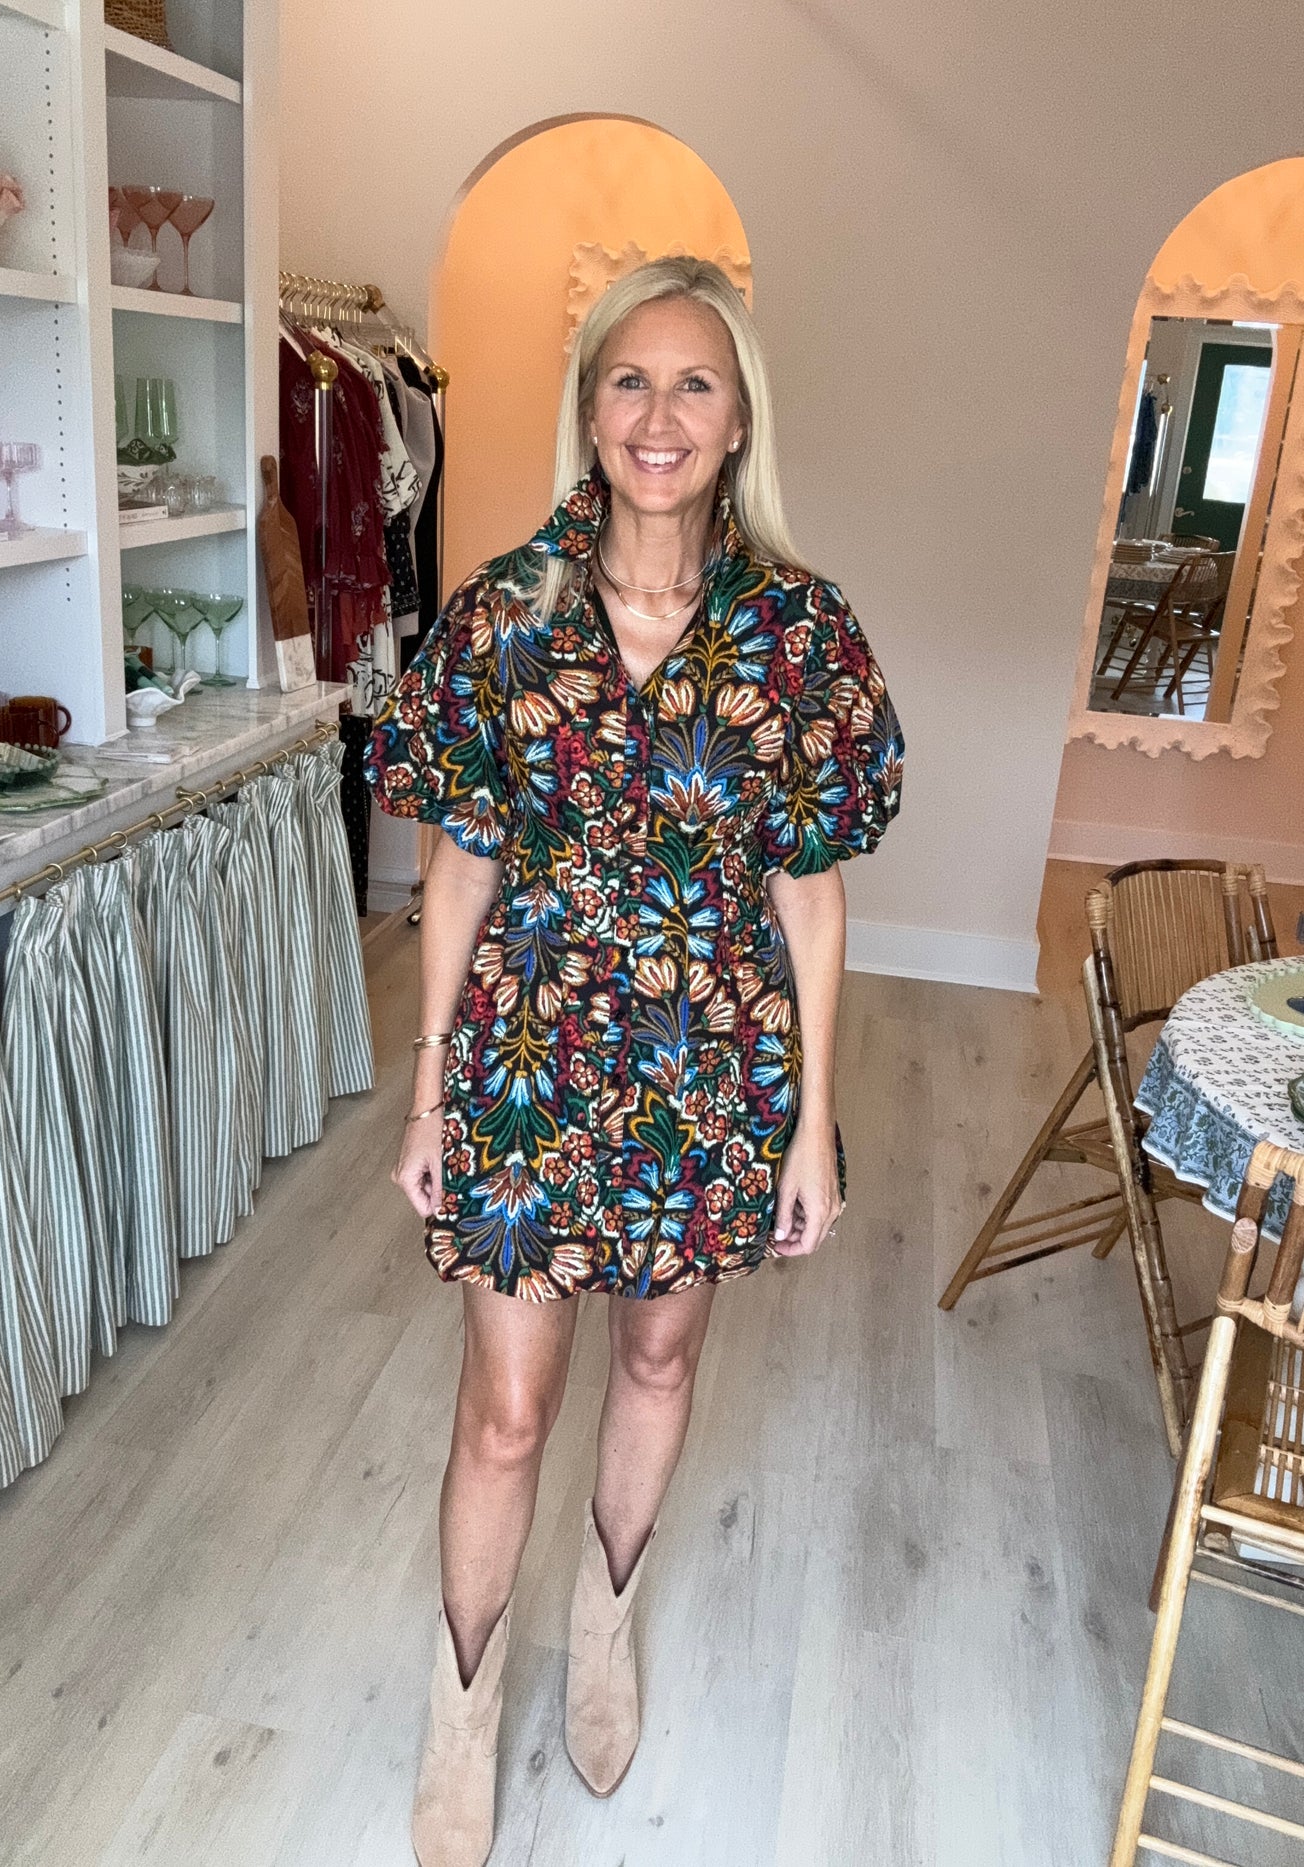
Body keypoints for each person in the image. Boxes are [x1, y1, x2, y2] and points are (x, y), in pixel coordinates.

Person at [365, 255, 903, 1867]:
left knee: (660, 1365)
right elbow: (457, 865)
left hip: (710, 1071)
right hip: (529, 1065)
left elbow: (813, 895)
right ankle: (462, 1711)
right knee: (504, 1411)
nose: (657, 417)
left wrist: (813, 1127)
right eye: (627, 382)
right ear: (587, 409)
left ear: (738, 422)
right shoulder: (502, 617)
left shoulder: (799, 635)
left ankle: (604, 1624)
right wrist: (427, 1092)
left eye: (693, 386)